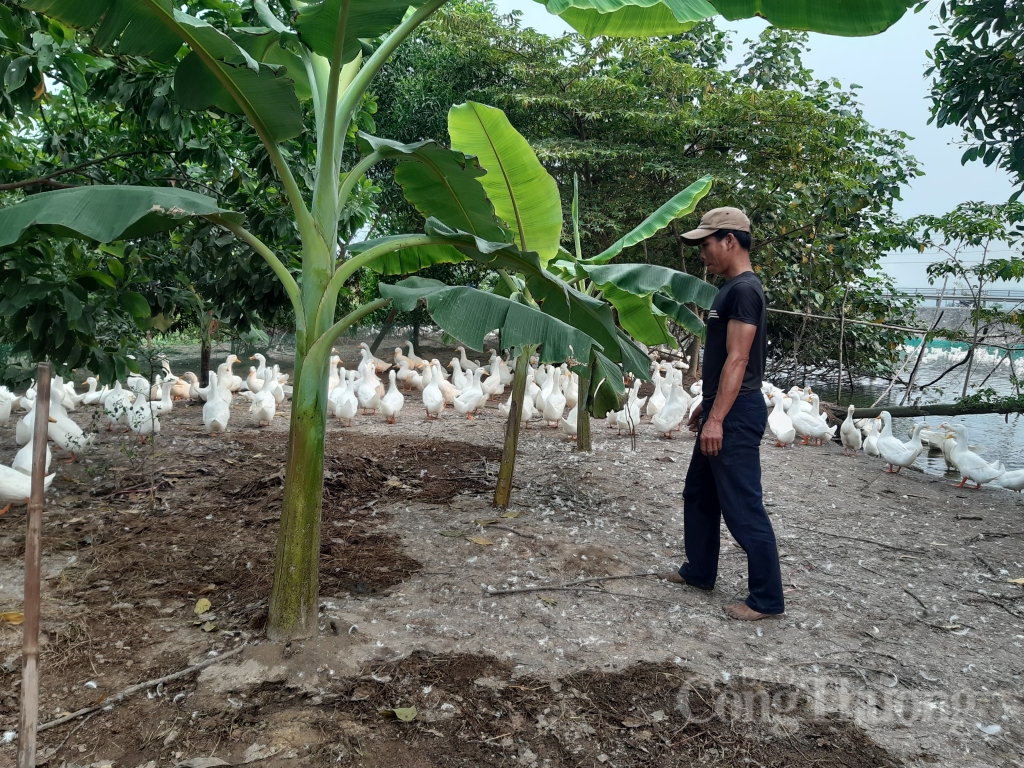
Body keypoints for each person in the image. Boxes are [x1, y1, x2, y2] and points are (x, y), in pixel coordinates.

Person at [659, 207, 784, 621]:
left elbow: (738, 359)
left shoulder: (744, 290)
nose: (702, 254)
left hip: (737, 412)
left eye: (706, 244)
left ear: (729, 241)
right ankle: (700, 571)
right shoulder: (730, 289)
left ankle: (767, 599)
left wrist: (717, 418)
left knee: (743, 506)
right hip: (723, 406)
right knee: (699, 494)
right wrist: (707, 405)